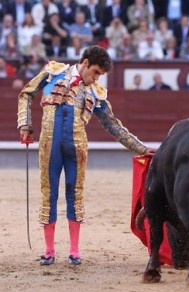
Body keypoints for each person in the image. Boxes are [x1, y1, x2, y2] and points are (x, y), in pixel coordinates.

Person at [17, 45, 155, 266]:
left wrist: (140, 148)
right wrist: (25, 126)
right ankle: (49, 251)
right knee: (48, 193)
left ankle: (74, 251)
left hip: (77, 150)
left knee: (75, 194)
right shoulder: (53, 72)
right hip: (49, 146)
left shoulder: (94, 92)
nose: (96, 78)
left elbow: (112, 124)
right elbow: (26, 94)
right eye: (96, 72)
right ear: (85, 63)